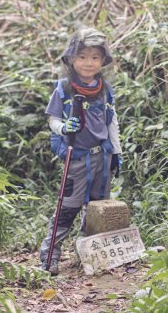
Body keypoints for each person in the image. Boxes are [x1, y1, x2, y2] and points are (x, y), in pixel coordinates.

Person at [39, 28, 122, 275]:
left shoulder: (104, 87)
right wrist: (64, 127)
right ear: (72, 59)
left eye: (95, 57)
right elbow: (52, 119)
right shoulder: (64, 87)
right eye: (83, 56)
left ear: (102, 61)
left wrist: (117, 152)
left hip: (102, 157)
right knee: (68, 207)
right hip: (76, 157)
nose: (88, 63)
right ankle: (49, 258)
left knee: (97, 208)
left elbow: (112, 120)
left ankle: (89, 256)